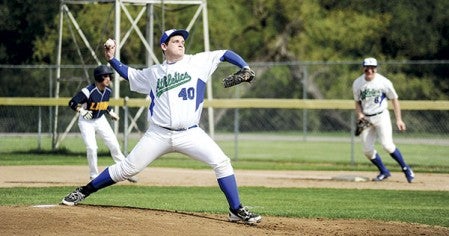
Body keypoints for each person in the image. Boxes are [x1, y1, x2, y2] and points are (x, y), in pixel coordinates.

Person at [61, 29, 262, 224]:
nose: (181, 42)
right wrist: (111, 58)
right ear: (164, 46)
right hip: (158, 134)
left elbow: (225, 54)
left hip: (190, 133)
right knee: (127, 169)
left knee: (222, 162)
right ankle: (83, 191)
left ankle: (236, 210)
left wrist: (244, 66)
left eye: (182, 40)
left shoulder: (197, 61)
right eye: (175, 40)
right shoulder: (154, 73)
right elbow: (128, 73)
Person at [68, 65, 138, 183]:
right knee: (92, 148)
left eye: (109, 76)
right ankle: (94, 176)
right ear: (99, 78)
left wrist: (110, 112)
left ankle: (126, 172)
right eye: (105, 76)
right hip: (86, 122)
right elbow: (72, 102)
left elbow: (103, 104)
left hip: (100, 119)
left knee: (114, 145)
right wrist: (81, 110)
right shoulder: (88, 91)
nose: (108, 79)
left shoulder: (107, 91)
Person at [352, 57, 415, 183]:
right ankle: (384, 171)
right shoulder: (357, 83)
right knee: (367, 151)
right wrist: (359, 115)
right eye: (367, 68)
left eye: (372, 68)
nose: (369, 70)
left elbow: (394, 100)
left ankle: (406, 168)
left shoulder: (384, 82)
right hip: (367, 118)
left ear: (376, 68)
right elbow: (357, 102)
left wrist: (399, 119)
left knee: (387, 145)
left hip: (381, 116)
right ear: (363, 68)